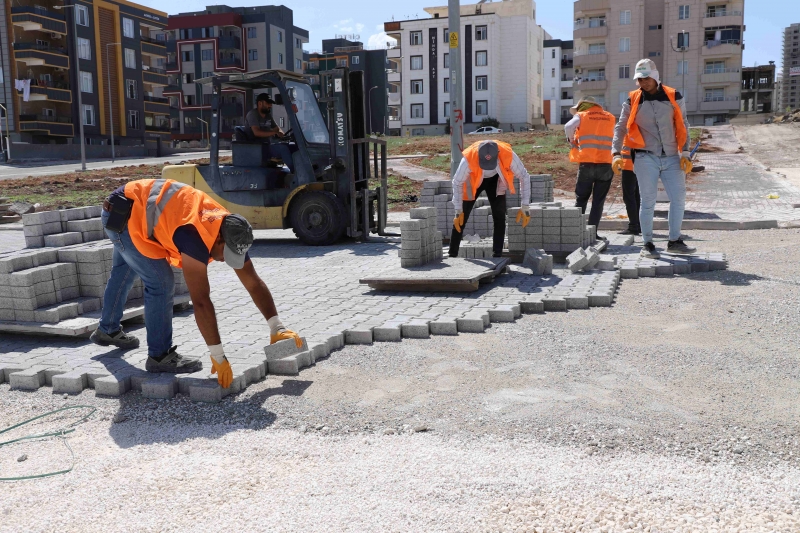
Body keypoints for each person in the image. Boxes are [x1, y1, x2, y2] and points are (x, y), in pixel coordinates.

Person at [91, 179, 302, 388]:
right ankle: (159, 356)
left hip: (135, 208)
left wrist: (276, 326)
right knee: (161, 282)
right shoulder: (193, 235)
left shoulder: (231, 228)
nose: (224, 261)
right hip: (123, 216)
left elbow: (253, 282)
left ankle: (107, 330)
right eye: (225, 255)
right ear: (218, 240)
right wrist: (218, 356)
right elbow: (201, 301)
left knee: (125, 271)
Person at [612, 59, 696, 258]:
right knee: (648, 201)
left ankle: (674, 241)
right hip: (645, 156)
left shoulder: (674, 95)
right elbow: (621, 127)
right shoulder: (632, 100)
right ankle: (647, 243)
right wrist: (615, 153)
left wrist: (685, 152)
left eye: (646, 78)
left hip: (671, 156)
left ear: (655, 76)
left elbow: (683, 124)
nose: (643, 82)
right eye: (640, 79)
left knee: (678, 198)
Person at [450, 140, 531, 258]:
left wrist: (525, 205)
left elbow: (524, 176)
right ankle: (452, 254)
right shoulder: (469, 159)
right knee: (461, 218)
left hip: (496, 180)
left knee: (500, 217)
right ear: (478, 155)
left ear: (497, 154)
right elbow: (457, 182)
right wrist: (458, 209)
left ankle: (497, 255)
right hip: (474, 180)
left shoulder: (508, 155)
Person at [565, 96, 616, 240]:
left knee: (581, 199)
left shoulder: (581, 115)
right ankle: (593, 233)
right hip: (606, 163)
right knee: (598, 201)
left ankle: (576, 233)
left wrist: (571, 141)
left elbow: (568, 126)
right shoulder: (610, 117)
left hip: (587, 163)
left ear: (582, 107)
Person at [243, 93, 296, 174]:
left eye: (271, 103)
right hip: (257, 148)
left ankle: (305, 169)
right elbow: (256, 132)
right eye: (268, 103)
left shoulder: (268, 116)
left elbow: (277, 129)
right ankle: (295, 172)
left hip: (267, 145)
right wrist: (274, 133)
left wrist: (282, 134)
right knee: (283, 149)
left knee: (293, 146)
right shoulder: (253, 114)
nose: (270, 105)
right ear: (260, 103)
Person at [618, 145, 641, 236]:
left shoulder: (627, 131)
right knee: (636, 196)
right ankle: (637, 224)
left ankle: (633, 226)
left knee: (629, 197)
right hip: (637, 165)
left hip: (628, 166)